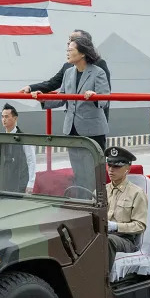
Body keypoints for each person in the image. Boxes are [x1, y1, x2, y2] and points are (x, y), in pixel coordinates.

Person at [33, 36, 110, 189]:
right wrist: (43, 100)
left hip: (92, 130)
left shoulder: (97, 72)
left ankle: (97, 202)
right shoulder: (68, 73)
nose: (67, 53)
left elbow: (104, 100)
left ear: (82, 53)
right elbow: (61, 98)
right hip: (72, 129)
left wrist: (94, 96)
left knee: (93, 170)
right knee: (78, 171)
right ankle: (83, 199)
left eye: (70, 50)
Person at [18, 29, 112, 121]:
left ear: (84, 45)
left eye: (72, 40)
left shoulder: (98, 65)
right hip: (72, 120)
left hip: (93, 119)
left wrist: (95, 97)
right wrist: (31, 88)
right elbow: (53, 83)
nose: (68, 43)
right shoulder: (68, 68)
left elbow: (105, 94)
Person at [105, 146, 148, 269]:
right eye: (109, 165)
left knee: (107, 241)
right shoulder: (102, 190)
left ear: (127, 168)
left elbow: (140, 225)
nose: (111, 170)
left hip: (125, 240)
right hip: (102, 234)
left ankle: (102, 280)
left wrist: (116, 226)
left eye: (117, 166)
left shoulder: (136, 193)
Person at [0, 103, 36, 193]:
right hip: (3, 183)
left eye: (7, 117)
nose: (4, 119)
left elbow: (31, 161)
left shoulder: (24, 139)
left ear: (15, 118)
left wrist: (31, 184)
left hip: (19, 183)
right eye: (2, 117)